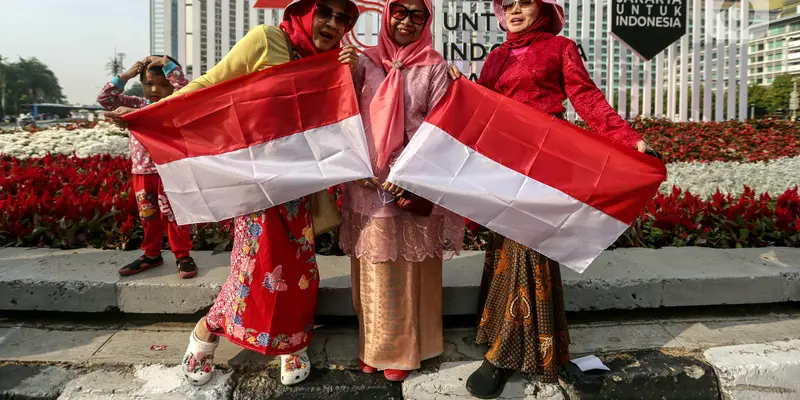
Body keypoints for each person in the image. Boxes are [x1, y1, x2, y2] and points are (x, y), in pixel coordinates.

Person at [105, 0, 361, 387]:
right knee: (253, 266)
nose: (332, 23)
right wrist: (150, 115)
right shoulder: (267, 40)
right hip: (256, 183)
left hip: (302, 187)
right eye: (324, 11)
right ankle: (205, 333)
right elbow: (211, 84)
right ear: (304, 10)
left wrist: (348, 74)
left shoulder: (334, 62)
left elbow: (337, 120)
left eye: (344, 18)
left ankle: (292, 343)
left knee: (301, 267)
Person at [447, 0, 653, 398]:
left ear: (542, 9)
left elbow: (585, 95)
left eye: (525, 3)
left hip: (544, 163)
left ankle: (505, 354)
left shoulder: (560, 48)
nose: (516, 10)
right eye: (509, 4)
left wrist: (629, 140)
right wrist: (462, 85)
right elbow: (484, 107)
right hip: (504, 166)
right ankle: (519, 337)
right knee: (505, 248)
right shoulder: (496, 57)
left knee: (529, 249)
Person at [340, 0, 464, 382]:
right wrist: (339, 69)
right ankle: (373, 348)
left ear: (428, 21)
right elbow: (340, 114)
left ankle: (410, 349)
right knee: (373, 268)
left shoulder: (435, 67)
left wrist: (409, 172)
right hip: (367, 181)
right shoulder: (362, 62)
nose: (407, 21)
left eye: (418, 15)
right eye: (400, 12)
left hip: (412, 182)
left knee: (412, 269)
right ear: (387, 14)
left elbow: (440, 129)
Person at [97, 55, 198, 279]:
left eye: (164, 85)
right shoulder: (137, 105)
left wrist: (169, 67)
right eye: (149, 83)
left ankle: (183, 255)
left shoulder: (176, 105)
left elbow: (190, 92)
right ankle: (152, 255)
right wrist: (127, 75)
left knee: (175, 215)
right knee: (149, 215)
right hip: (143, 172)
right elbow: (105, 99)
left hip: (172, 170)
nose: (155, 89)